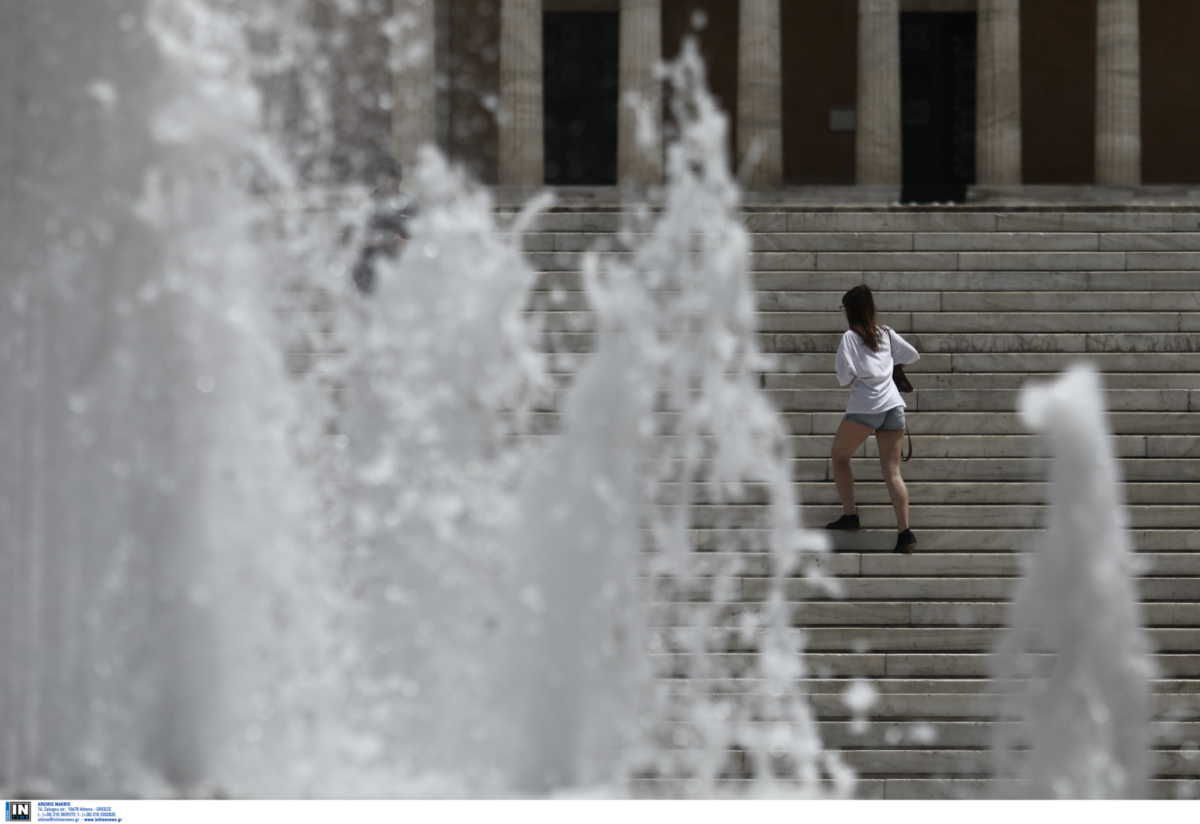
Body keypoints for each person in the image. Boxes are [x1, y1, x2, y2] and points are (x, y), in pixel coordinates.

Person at [825, 284, 920, 554]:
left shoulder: (850, 337)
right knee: (892, 472)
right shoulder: (886, 333)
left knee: (840, 456)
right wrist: (891, 365)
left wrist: (861, 377)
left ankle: (850, 514)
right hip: (893, 407)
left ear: (849, 311)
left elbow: (844, 378)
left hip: (866, 407)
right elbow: (913, 355)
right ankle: (905, 533)